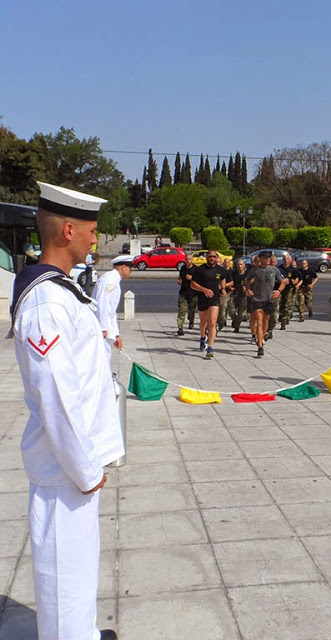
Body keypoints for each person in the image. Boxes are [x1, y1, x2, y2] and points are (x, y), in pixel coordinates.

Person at [11, 181, 124, 640]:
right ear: (68, 230)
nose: (96, 240)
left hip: (76, 466)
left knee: (79, 573)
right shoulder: (46, 302)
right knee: (63, 579)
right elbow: (56, 397)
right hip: (65, 470)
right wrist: (84, 468)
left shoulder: (63, 291)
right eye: (92, 231)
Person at [93, 255, 133, 364]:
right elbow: (102, 304)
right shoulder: (109, 280)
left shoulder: (114, 279)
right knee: (101, 359)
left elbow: (111, 311)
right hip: (98, 327)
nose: (131, 271)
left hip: (103, 326)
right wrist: (103, 328)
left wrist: (116, 335)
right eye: (130, 268)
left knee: (105, 358)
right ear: (123, 267)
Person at [245, 250, 286, 356]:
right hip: (257, 299)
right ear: (261, 259)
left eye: (269, 258)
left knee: (265, 322)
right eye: (265, 258)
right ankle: (260, 346)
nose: (268, 260)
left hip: (269, 299)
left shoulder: (274, 270)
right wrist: (248, 289)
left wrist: (278, 291)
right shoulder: (255, 270)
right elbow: (247, 280)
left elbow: (283, 281)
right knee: (259, 322)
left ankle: (262, 337)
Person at [190, 250, 226, 358]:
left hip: (214, 300)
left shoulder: (220, 270)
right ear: (206, 257)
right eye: (210, 256)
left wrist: (223, 288)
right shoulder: (200, 270)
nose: (212, 258)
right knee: (203, 323)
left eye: (214, 256)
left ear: (216, 258)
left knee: (212, 323)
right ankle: (202, 337)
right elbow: (192, 284)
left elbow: (223, 278)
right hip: (202, 299)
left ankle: (210, 347)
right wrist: (203, 289)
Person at [176, 253, 197, 335]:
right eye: (186, 259)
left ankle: (191, 320)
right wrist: (179, 280)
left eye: (189, 259)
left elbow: (200, 281)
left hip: (193, 293)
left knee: (191, 310)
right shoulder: (183, 268)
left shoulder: (196, 269)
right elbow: (180, 277)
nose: (188, 261)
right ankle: (180, 327)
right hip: (183, 292)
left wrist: (192, 278)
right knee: (182, 310)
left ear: (192, 260)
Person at [278, 253, 299, 329]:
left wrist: (295, 281)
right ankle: (281, 316)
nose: (285, 260)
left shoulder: (292, 269)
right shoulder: (279, 269)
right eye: (284, 259)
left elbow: (297, 278)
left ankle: (284, 322)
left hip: (289, 289)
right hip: (280, 289)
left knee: (287, 305)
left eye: (287, 259)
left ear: (290, 260)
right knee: (280, 305)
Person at [228, 258, 247, 333]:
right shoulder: (233, 273)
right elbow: (229, 281)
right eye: (238, 264)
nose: (239, 266)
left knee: (240, 313)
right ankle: (235, 320)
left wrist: (247, 287)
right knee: (231, 310)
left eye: (241, 264)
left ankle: (237, 326)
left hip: (243, 295)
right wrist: (230, 287)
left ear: (244, 265)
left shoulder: (247, 274)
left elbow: (251, 283)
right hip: (234, 293)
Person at [218, 257, 234, 330]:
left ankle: (222, 321)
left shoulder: (224, 271)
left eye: (219, 261)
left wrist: (222, 287)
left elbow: (231, 282)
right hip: (212, 293)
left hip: (224, 292)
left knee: (223, 307)